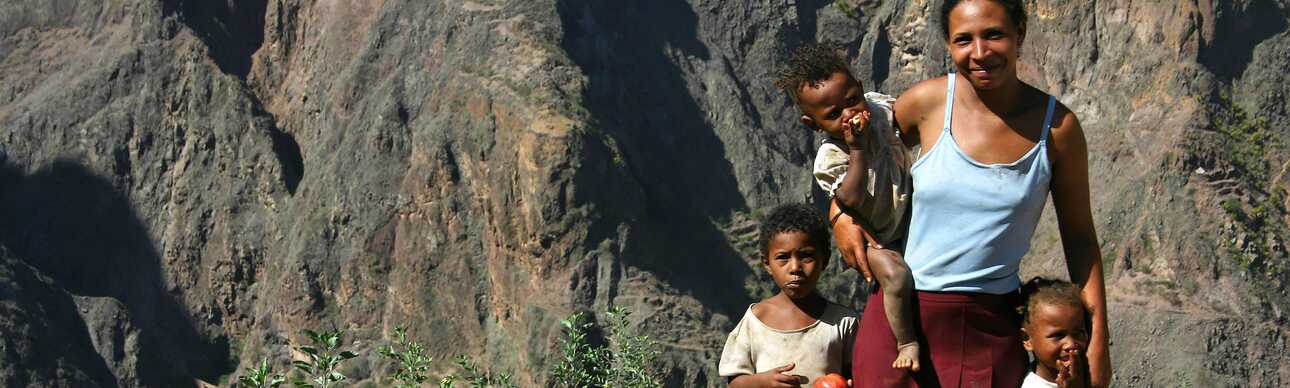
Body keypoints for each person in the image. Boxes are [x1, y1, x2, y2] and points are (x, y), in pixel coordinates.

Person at [843, 0, 1111, 387]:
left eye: (994, 35)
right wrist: (841, 217)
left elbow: (1081, 239)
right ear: (948, 45)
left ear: (1020, 33)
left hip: (988, 328)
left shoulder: (1057, 129)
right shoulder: (928, 104)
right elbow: (851, 148)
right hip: (900, 322)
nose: (980, 53)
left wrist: (1098, 340)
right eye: (963, 40)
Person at [772, 42, 921, 372]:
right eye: (833, 114)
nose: (849, 114)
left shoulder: (881, 109)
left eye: (853, 100)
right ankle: (907, 341)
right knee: (895, 278)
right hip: (878, 237)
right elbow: (849, 199)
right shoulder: (831, 158)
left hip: (912, 217)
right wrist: (857, 149)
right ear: (813, 124)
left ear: (862, 90)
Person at [719, 203, 858, 387]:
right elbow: (735, 382)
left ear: (824, 260)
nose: (795, 268)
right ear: (767, 263)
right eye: (783, 257)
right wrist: (763, 382)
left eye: (806, 255)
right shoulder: (755, 320)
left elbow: (859, 374)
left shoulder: (843, 322)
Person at [1018, 278, 1090, 388]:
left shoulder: (1088, 372)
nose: (1071, 344)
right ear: (1027, 339)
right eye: (1058, 335)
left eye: (1078, 334)